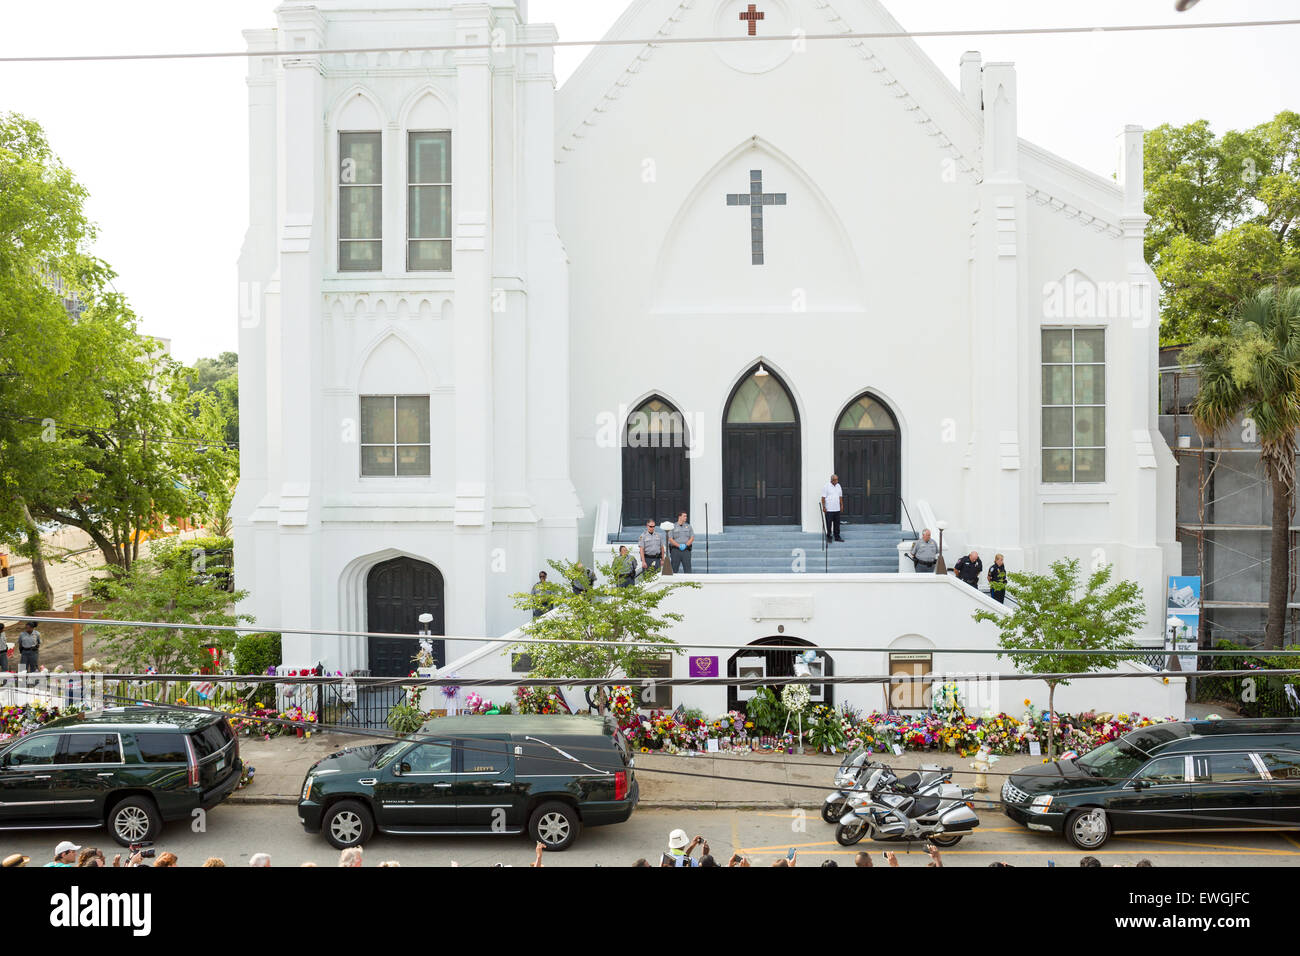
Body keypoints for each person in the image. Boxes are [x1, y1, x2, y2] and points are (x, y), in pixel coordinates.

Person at [821, 474, 845, 542]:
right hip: (829, 509)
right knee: (829, 524)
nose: (837, 481)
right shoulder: (826, 486)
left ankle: (837, 536)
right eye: (835, 480)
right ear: (832, 480)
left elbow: (840, 497)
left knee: (837, 524)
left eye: (837, 479)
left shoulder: (838, 486)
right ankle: (829, 536)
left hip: (837, 509)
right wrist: (824, 507)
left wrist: (841, 505)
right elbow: (823, 498)